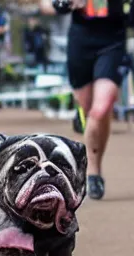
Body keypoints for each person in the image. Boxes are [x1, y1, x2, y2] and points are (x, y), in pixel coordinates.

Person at [41, 0, 127, 200]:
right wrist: (65, 3)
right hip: (81, 40)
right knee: (91, 111)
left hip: (114, 39)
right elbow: (45, 5)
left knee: (101, 109)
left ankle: (93, 172)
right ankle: (84, 120)